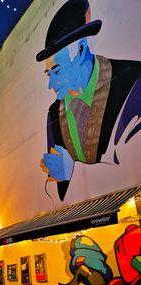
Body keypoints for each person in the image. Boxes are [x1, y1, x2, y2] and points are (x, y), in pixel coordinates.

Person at [36, 0, 141, 202]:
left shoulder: (133, 79)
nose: (51, 84)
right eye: (48, 74)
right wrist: (56, 176)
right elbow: (58, 193)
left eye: (57, 71)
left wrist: (71, 171)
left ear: (82, 50)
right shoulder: (54, 114)